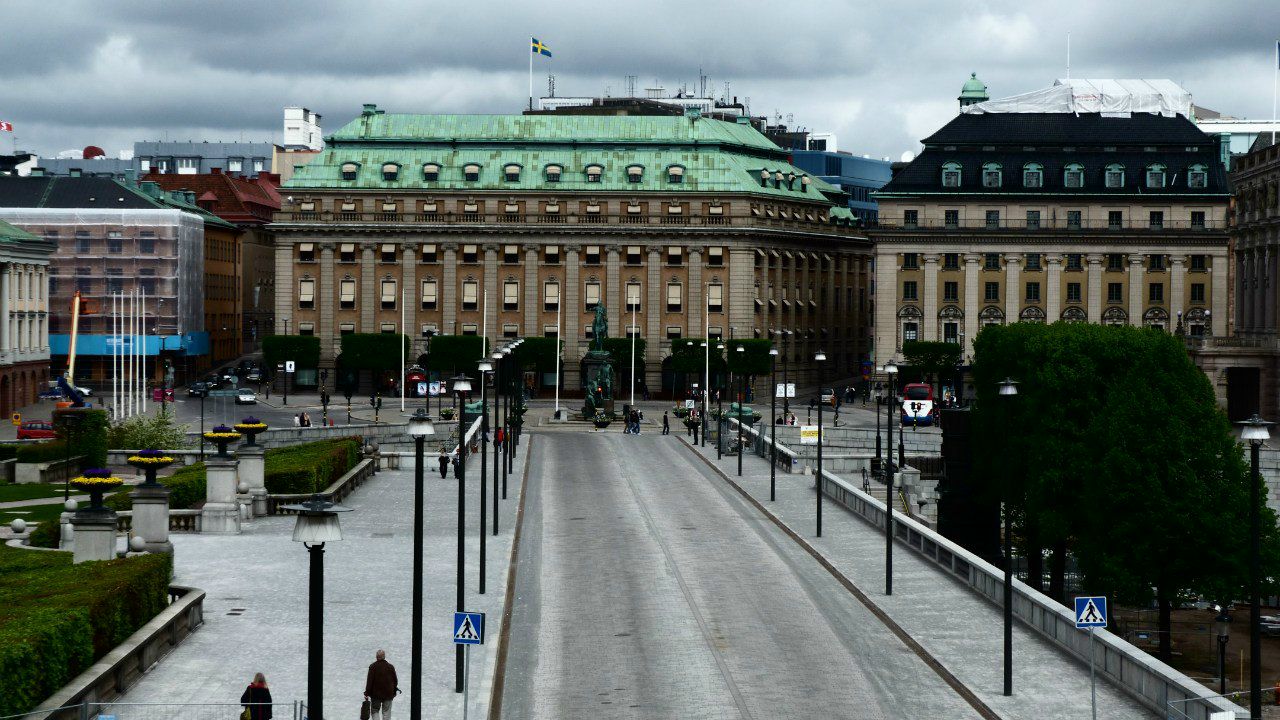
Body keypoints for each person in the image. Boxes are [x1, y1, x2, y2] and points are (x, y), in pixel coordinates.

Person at [364, 649, 399, 720]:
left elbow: (370, 681)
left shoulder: (373, 667)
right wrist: (394, 691)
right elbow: (395, 681)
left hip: (376, 695)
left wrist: (367, 692)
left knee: (375, 710)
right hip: (388, 694)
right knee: (386, 712)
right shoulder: (390, 667)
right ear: (384, 657)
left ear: (376, 657)